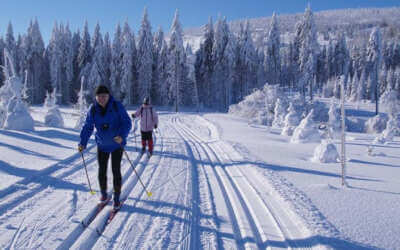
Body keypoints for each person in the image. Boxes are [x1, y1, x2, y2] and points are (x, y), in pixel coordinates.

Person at [78, 85, 132, 209]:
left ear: (108, 96)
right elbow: (88, 127)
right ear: (96, 97)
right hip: (102, 145)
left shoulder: (116, 106)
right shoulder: (93, 109)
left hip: (116, 145)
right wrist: (83, 142)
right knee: (102, 171)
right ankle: (103, 194)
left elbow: (127, 122)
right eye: (99, 96)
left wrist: (122, 135)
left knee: (115, 170)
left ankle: (117, 197)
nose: (102, 98)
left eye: (104, 96)